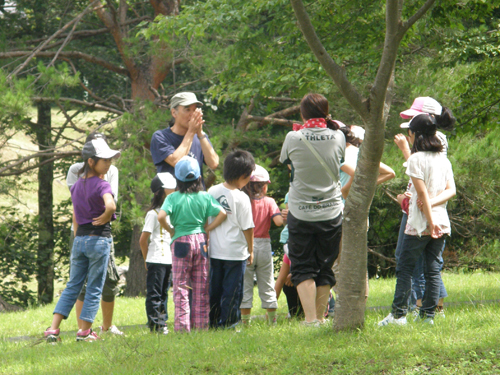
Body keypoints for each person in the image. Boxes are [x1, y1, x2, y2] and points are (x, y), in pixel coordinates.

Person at [379, 114, 456, 326]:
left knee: (404, 267)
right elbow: (451, 191)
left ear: (415, 134)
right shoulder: (444, 159)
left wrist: (429, 221)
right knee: (432, 270)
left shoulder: (415, 159)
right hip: (442, 220)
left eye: (410, 132)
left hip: (422, 223)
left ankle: (398, 315)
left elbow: (421, 194)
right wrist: (433, 207)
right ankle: (428, 317)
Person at [279, 93, 346, 326]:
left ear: (302, 113)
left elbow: (286, 162)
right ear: (326, 112)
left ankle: (310, 320)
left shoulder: (292, 137)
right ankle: (321, 317)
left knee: (303, 264)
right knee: (324, 264)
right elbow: (339, 161)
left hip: (300, 211)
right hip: (331, 211)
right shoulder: (338, 136)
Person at [44, 138, 120, 342]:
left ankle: (53, 330)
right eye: (104, 160)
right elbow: (111, 206)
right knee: (94, 287)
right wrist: (106, 215)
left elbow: (76, 215)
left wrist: (77, 240)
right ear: (91, 162)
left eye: (110, 160)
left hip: (80, 240)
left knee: (73, 285)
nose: (109, 164)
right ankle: (84, 332)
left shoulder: (76, 186)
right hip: (99, 241)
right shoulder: (102, 184)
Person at [158, 156, 226, 332]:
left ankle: (182, 328)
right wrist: (207, 227)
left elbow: (161, 217)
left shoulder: (172, 198)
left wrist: (171, 230)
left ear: (178, 180)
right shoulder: (204, 196)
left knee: (181, 287)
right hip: (201, 241)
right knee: (201, 286)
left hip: (180, 241)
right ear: (199, 178)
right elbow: (222, 213)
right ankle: (201, 327)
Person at [66, 132, 123, 336]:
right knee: (79, 282)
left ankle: (106, 327)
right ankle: (83, 329)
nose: (107, 162)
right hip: (81, 231)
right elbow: (78, 203)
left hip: (102, 234)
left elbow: (109, 202)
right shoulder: (75, 170)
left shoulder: (112, 170)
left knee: (109, 280)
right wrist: (76, 234)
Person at [207, 150, 256, 329]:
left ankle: (212, 322)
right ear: (243, 175)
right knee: (233, 291)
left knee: (215, 289)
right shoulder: (242, 198)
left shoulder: (211, 191)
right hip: (235, 254)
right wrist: (251, 250)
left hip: (215, 251)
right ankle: (229, 324)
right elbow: (248, 227)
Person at [240, 165, 283, 325]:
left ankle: (245, 323)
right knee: (267, 283)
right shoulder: (270, 202)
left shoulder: (243, 201)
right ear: (265, 186)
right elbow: (278, 222)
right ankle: (272, 321)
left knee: (246, 284)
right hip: (264, 246)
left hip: (245, 245)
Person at [150, 92, 219, 181]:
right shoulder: (160, 137)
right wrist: (190, 132)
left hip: (196, 193)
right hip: (172, 194)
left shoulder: (200, 137)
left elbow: (213, 164)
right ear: (174, 113)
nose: (192, 114)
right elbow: (176, 162)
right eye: (187, 110)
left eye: (194, 110)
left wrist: (200, 133)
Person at [139, 173, 176, 334]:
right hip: (156, 260)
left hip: (168, 260)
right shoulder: (152, 214)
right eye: (169, 190)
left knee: (163, 293)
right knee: (154, 295)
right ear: (159, 192)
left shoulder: (170, 212)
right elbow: (143, 240)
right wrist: (147, 259)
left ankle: (162, 323)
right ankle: (155, 326)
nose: (172, 192)